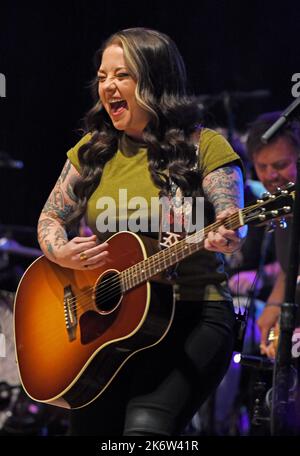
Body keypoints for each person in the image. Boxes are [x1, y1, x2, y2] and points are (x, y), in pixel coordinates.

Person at [37, 27, 246, 436]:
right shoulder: (93, 151)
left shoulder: (204, 147)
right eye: (102, 77)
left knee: (146, 429)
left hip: (193, 314)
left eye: (122, 76)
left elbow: (230, 218)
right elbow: (49, 220)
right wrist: (60, 252)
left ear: (156, 81)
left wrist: (228, 234)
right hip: (114, 328)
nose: (108, 87)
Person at [246, 111, 300, 358]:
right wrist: (272, 306)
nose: (270, 176)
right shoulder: (281, 207)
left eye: (280, 165)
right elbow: (290, 269)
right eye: (262, 167)